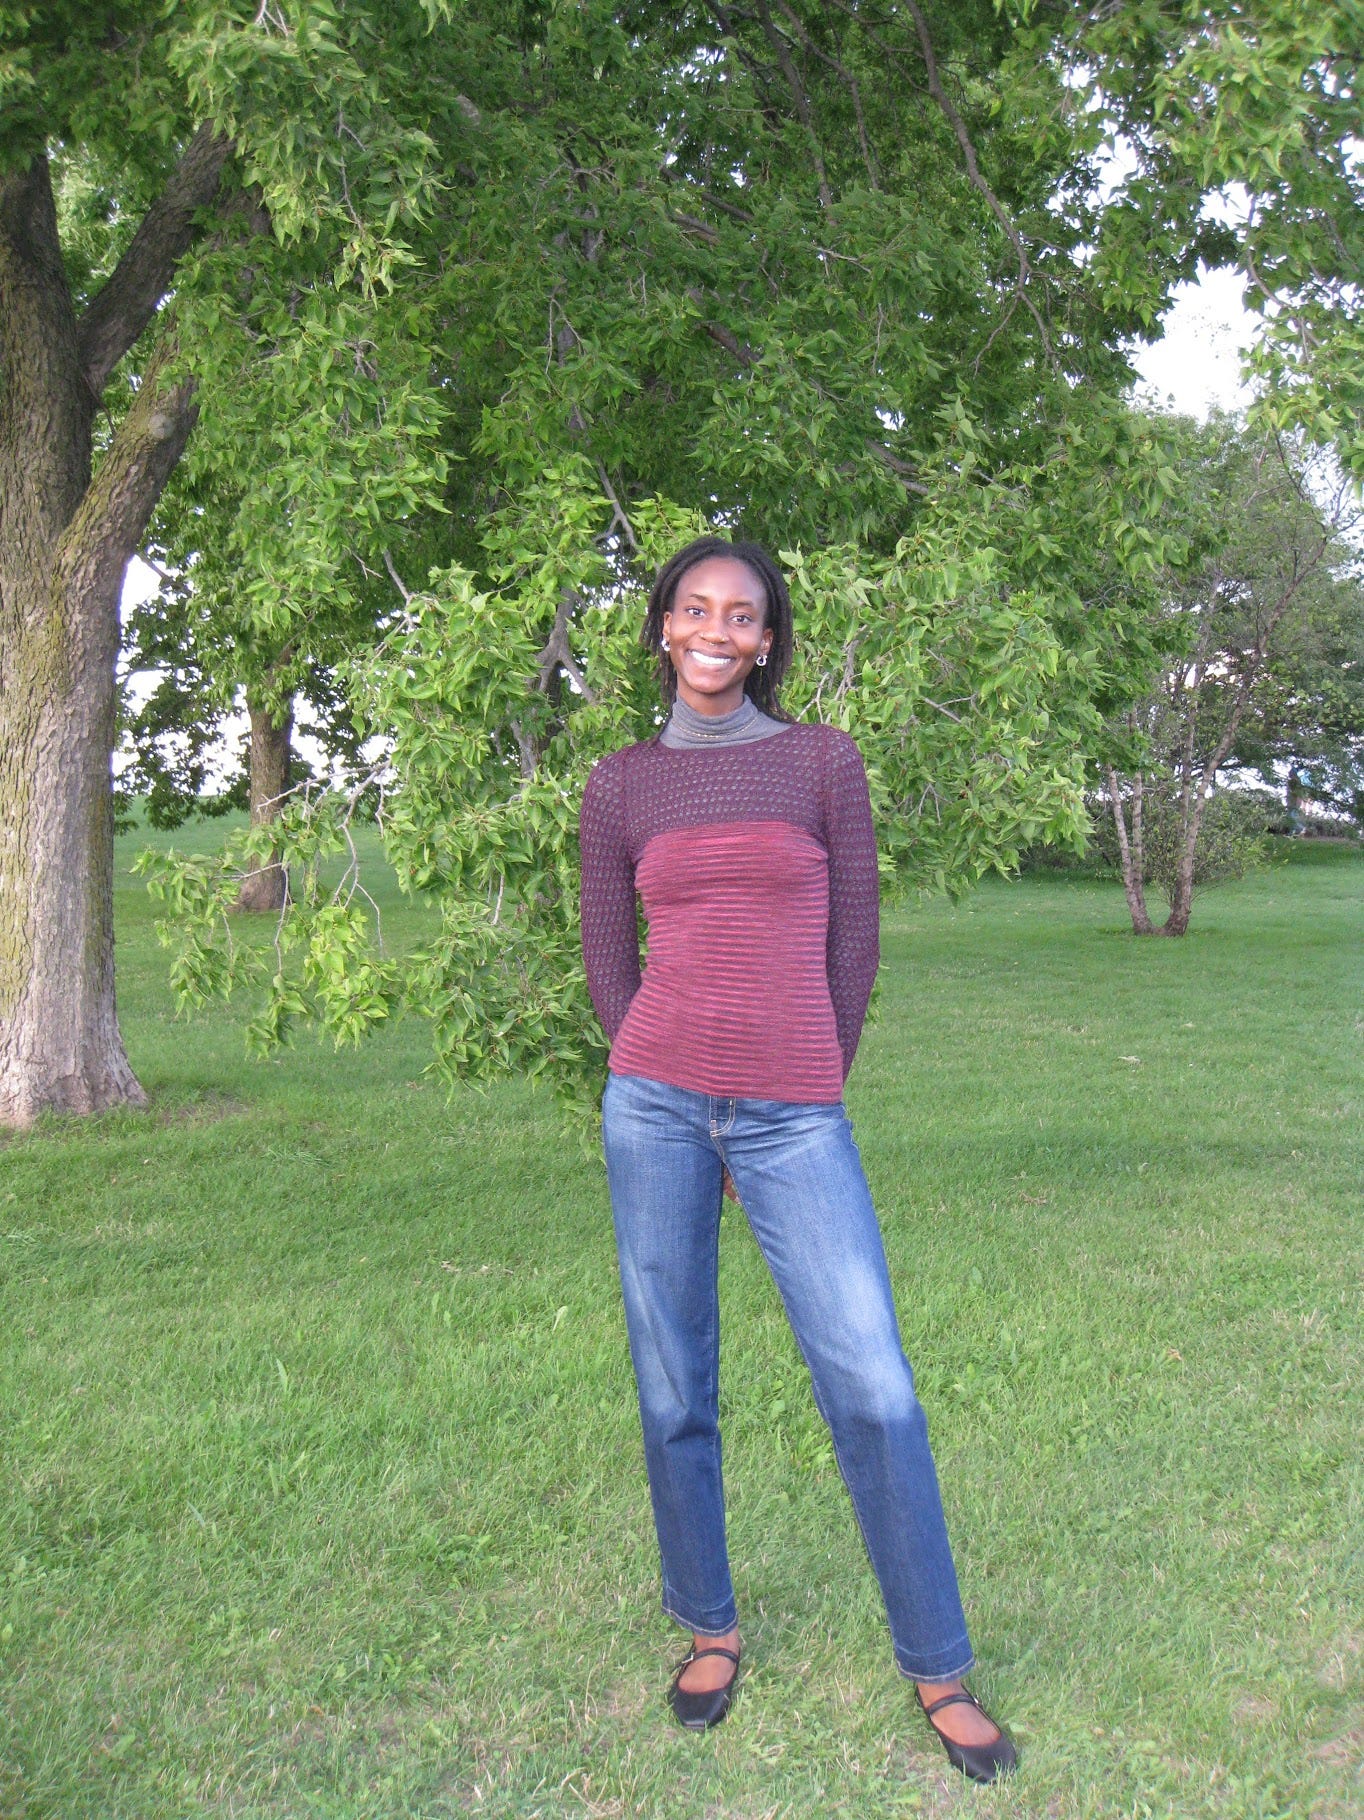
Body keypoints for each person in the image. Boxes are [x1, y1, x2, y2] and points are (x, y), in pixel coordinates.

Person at [578, 536, 1016, 1784]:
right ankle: (708, 1625)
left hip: (791, 1109)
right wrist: (661, 1073)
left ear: (765, 640)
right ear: (663, 625)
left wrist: (800, 1082)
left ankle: (936, 1660)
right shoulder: (618, 785)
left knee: (872, 1384)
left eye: (742, 615)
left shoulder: (821, 760)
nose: (716, 628)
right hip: (655, 1103)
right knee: (674, 1380)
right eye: (694, 607)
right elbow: (609, 958)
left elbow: (854, 944)